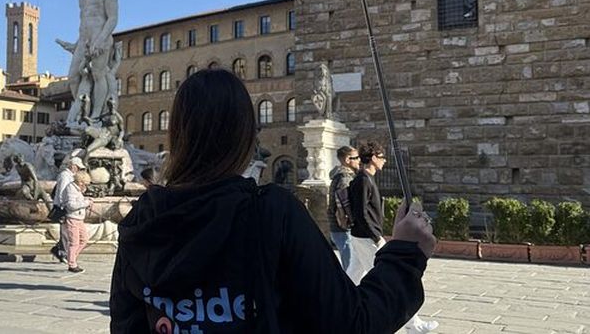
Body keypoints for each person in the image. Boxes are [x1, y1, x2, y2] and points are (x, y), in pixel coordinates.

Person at [109, 69, 436, 333]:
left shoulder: (143, 219)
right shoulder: (271, 212)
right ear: (245, 136)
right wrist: (405, 255)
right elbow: (354, 323)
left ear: (176, 134)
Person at [347, 142, 438, 334]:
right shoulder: (363, 180)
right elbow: (361, 212)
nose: (384, 160)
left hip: (362, 236)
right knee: (391, 278)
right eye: (381, 156)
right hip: (366, 237)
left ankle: (339, 306)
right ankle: (414, 326)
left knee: (351, 276)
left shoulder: (367, 179)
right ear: (372, 157)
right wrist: (376, 237)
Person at [55, 0, 119, 124]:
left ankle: (96, 114)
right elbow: (84, 23)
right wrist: (74, 45)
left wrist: (100, 39)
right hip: (83, 41)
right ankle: (83, 108)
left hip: (101, 39)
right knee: (73, 77)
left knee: (98, 75)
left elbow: (112, 18)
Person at [50, 152, 86, 263]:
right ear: (73, 166)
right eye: (78, 168)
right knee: (66, 232)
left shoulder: (69, 176)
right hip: (64, 207)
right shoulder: (65, 175)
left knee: (66, 231)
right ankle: (65, 254)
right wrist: (63, 207)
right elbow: (62, 192)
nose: (79, 170)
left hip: (65, 206)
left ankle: (61, 251)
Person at [328, 145, 360, 270]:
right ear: (347, 160)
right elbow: (343, 204)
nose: (359, 160)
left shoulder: (340, 176)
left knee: (352, 265)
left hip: (339, 228)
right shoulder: (345, 177)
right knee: (349, 266)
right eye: (356, 157)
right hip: (343, 227)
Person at [61, 170, 93, 273]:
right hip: (72, 218)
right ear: (79, 181)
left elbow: (77, 201)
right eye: (84, 183)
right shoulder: (71, 188)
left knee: (84, 239)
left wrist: (84, 197)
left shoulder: (77, 189)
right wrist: (86, 203)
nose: (85, 185)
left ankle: (72, 257)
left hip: (79, 218)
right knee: (74, 242)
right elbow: (71, 205)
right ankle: (72, 264)